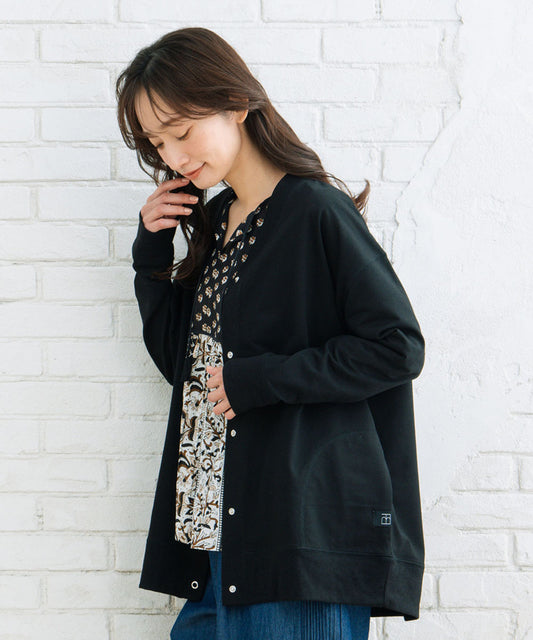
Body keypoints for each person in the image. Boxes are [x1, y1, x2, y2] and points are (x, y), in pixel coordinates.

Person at [115, 26, 425, 640]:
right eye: (158, 143)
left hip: (294, 548)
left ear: (236, 104)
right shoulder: (219, 222)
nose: (173, 157)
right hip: (215, 546)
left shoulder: (314, 211)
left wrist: (261, 379)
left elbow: (397, 347)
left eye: (181, 132)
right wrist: (151, 257)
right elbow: (186, 368)